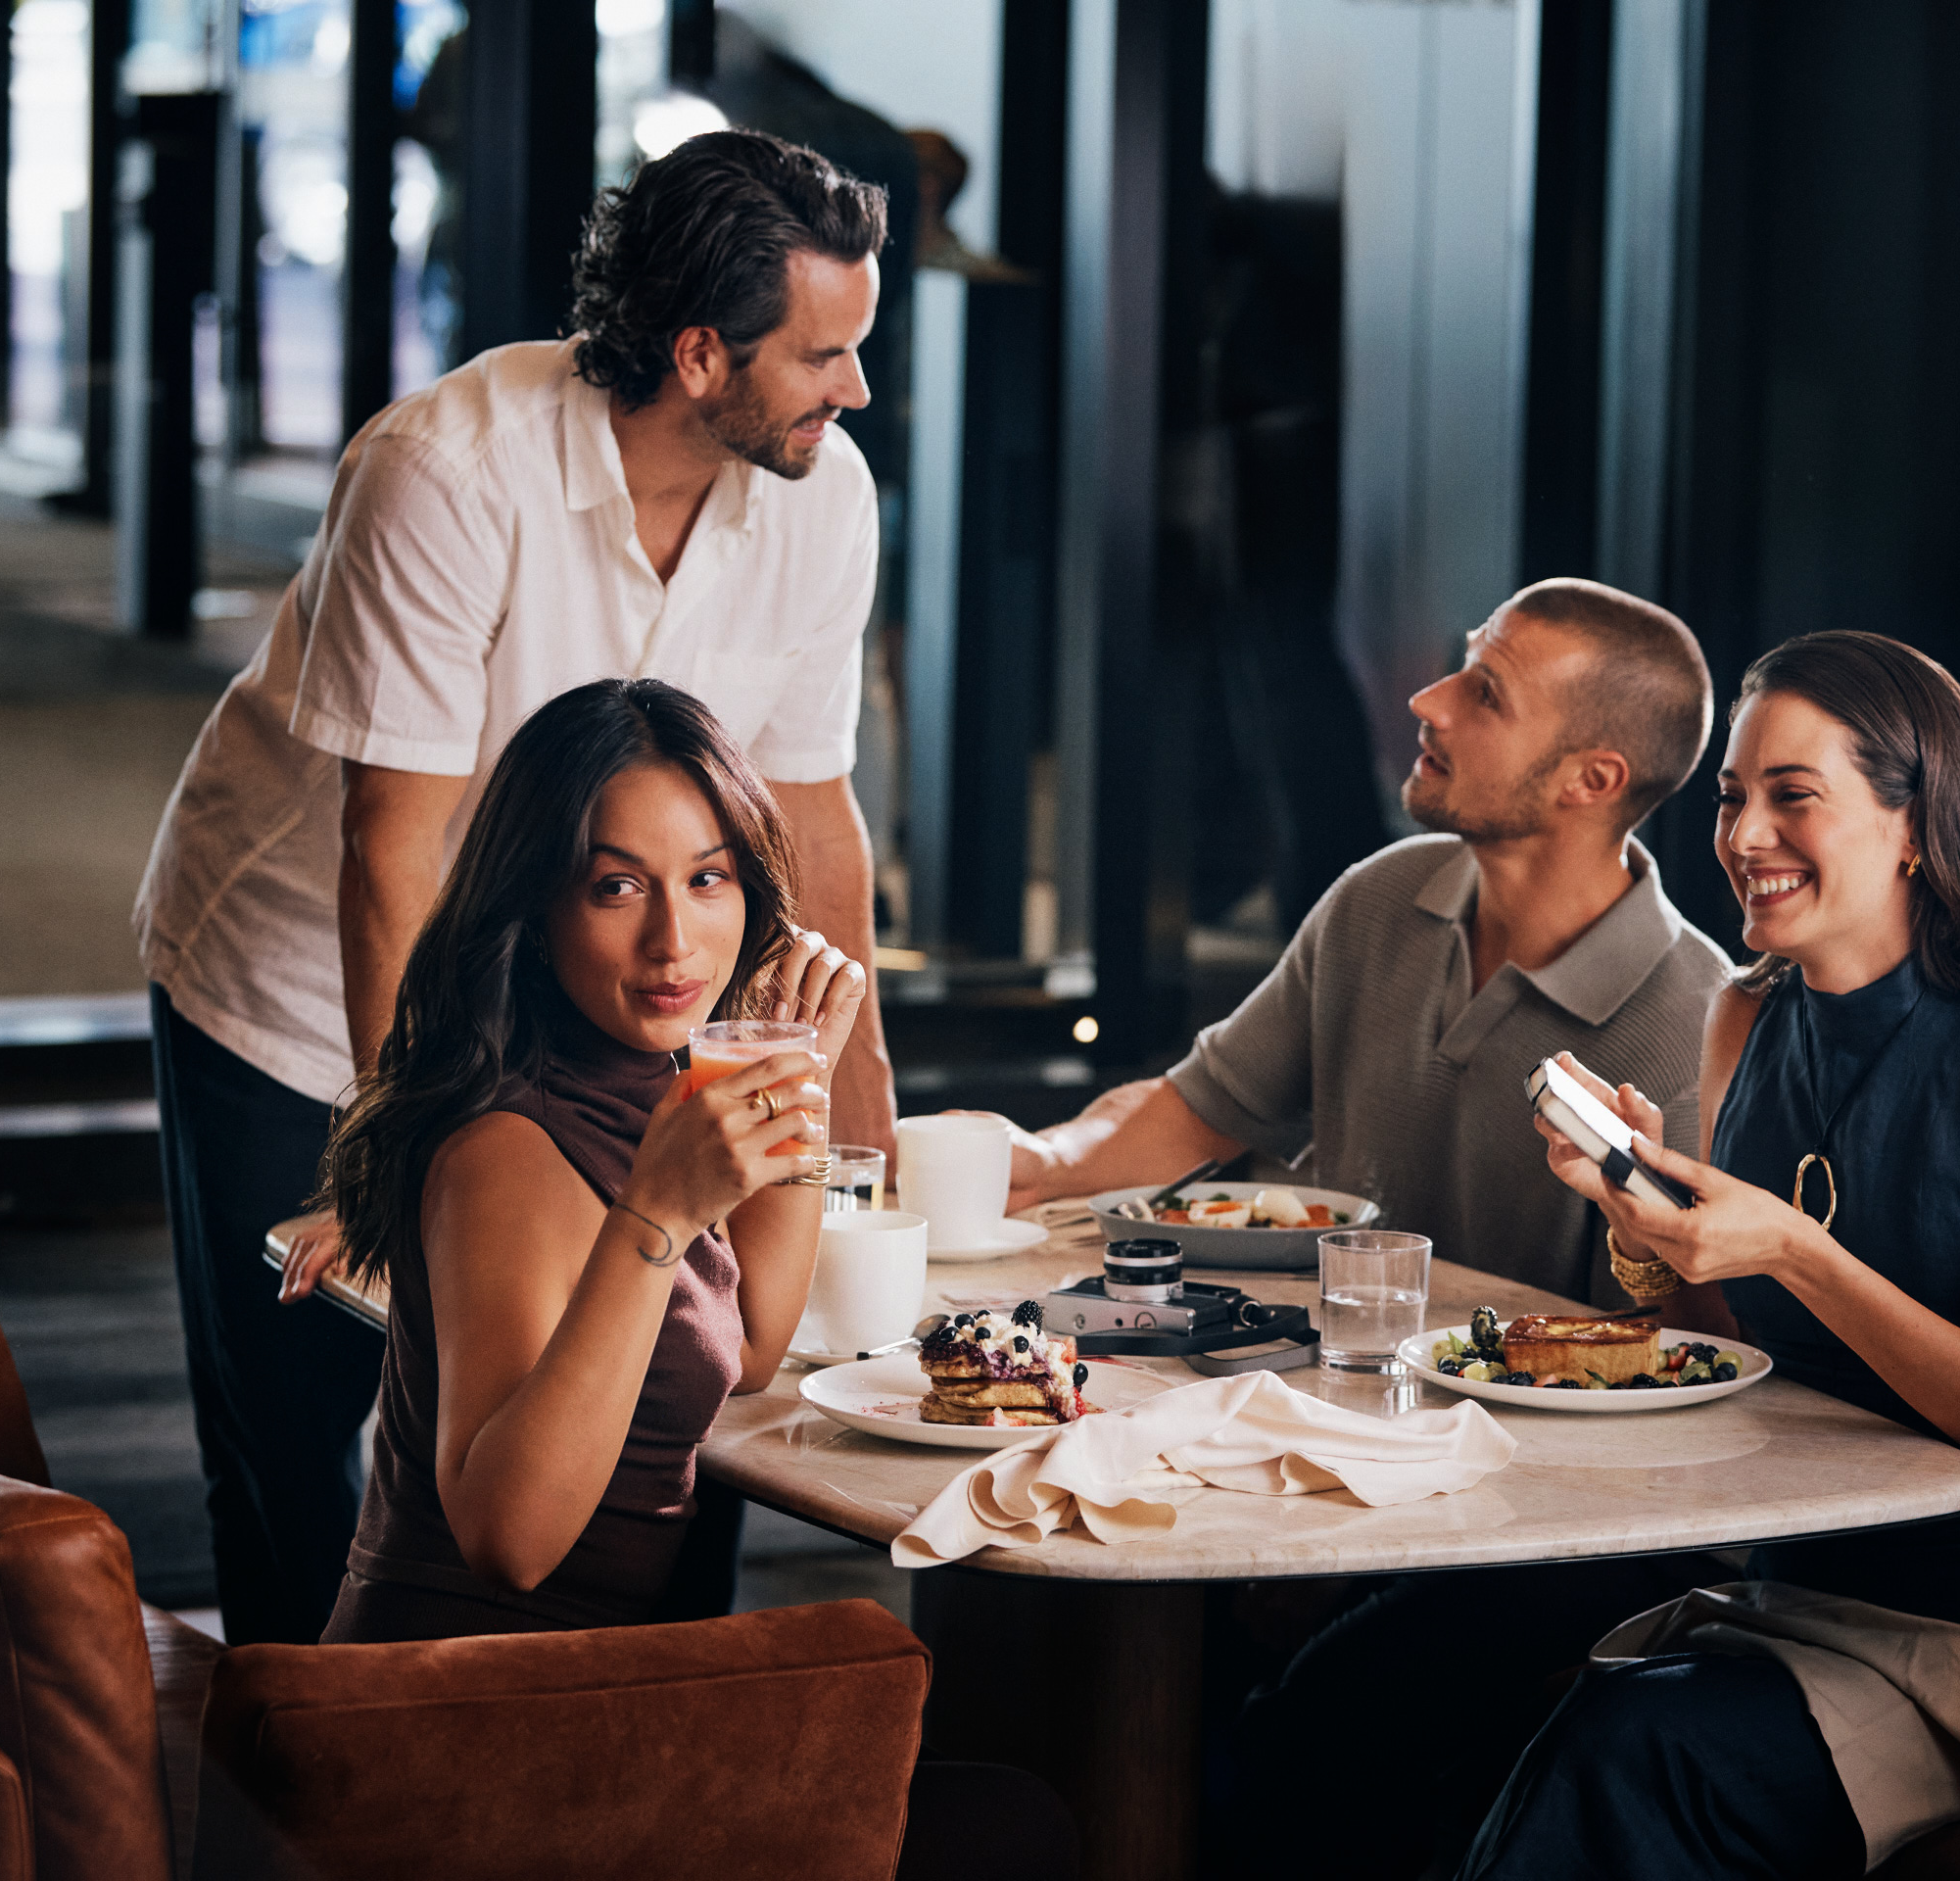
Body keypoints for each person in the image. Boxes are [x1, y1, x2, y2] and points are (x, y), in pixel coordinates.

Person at [134, 127, 895, 1644]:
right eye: (823, 353)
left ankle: (648, 1736)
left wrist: (855, 1096)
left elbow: (809, 810)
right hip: (304, 991)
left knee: (654, 1385)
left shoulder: (822, 490)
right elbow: (391, 850)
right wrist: (393, 1153)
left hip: (594, 983)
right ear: (697, 352)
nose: (856, 389)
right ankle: (300, 1793)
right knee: (305, 1442)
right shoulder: (450, 469)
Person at [1458, 631, 1960, 1876]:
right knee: (1437, 1647)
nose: (1743, 836)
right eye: (1735, 797)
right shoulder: (1745, 1011)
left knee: (1644, 1743)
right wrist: (1645, 1233)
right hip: (1795, 1599)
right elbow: (1748, 1357)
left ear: (1914, 823)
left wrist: (1799, 1251)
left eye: (1794, 797)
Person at [311, 679, 863, 1642]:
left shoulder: (657, 1079)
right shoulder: (503, 1149)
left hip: (587, 1696)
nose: (674, 941)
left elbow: (755, 1349)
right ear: (538, 904)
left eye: (707, 878)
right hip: (450, 1713)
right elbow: (509, 1543)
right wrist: (656, 1213)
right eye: (618, 886)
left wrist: (795, 1091)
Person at [1000, 577, 1729, 1303]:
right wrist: (1043, 1159)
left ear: (1592, 780)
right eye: (1462, 665)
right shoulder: (1381, 897)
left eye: (1486, 694)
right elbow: (1202, 1112)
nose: (1427, 702)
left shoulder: (1694, 1026)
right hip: (1322, 1386)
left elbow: (1681, 1335)